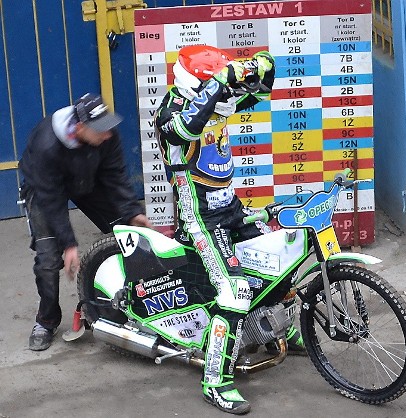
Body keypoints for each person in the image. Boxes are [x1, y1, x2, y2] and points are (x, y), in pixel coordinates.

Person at [154, 45, 303, 415]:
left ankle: (275, 331)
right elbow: (188, 128)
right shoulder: (170, 114)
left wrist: (265, 66)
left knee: (278, 259)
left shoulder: (215, 101)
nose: (223, 96)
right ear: (194, 84)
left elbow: (260, 92)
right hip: (201, 219)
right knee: (235, 292)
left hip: (232, 208)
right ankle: (216, 381)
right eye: (212, 86)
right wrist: (221, 81)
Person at [19, 93, 152, 352]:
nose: (108, 135)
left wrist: (131, 212)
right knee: (48, 260)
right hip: (44, 190)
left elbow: (115, 174)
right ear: (79, 128)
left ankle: (139, 304)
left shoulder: (106, 135)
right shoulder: (47, 146)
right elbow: (53, 199)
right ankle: (46, 321)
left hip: (87, 181)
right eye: (100, 130)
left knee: (129, 235)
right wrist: (68, 244)